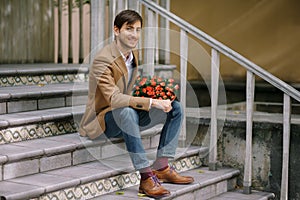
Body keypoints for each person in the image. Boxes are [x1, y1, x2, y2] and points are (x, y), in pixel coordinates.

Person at [79, 9, 194, 198]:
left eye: (138, 30)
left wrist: (160, 95)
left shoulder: (131, 56)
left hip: (125, 112)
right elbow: (114, 99)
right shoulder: (102, 60)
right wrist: (152, 102)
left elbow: (129, 90)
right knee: (127, 113)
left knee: (175, 107)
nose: (135, 35)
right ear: (116, 31)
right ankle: (146, 177)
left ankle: (162, 167)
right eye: (129, 29)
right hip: (103, 120)